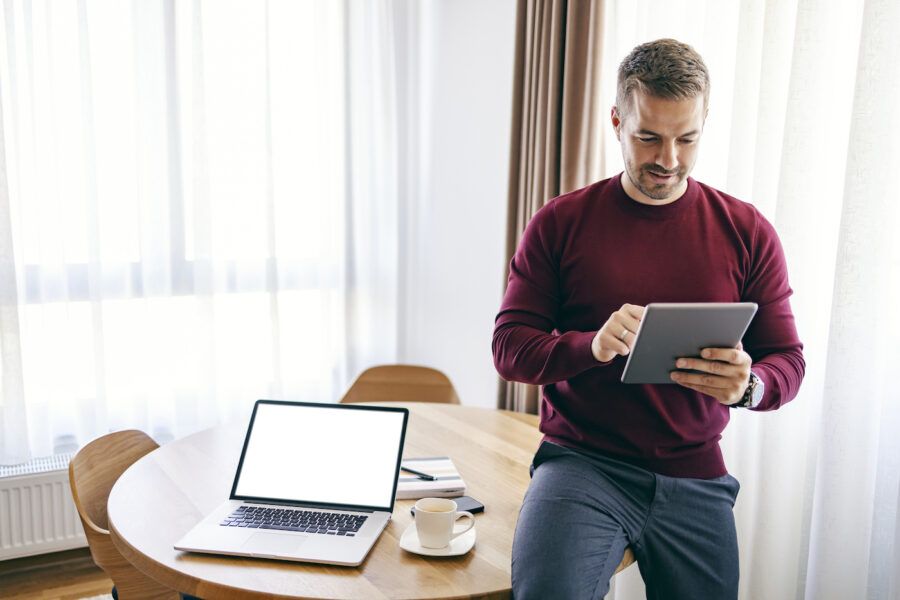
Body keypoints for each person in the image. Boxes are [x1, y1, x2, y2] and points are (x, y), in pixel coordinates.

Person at [493, 38, 805, 600]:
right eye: (648, 137)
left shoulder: (746, 231)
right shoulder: (559, 223)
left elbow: (789, 360)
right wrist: (589, 346)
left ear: (704, 122)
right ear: (617, 120)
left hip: (696, 474)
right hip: (582, 465)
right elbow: (509, 347)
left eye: (687, 138)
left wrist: (750, 385)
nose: (668, 158)